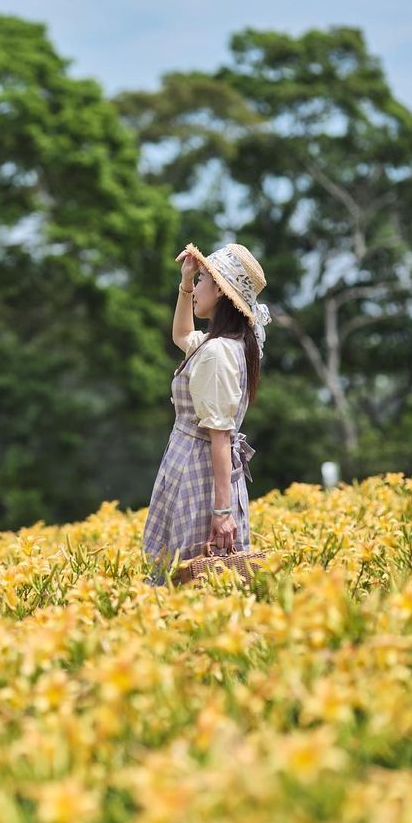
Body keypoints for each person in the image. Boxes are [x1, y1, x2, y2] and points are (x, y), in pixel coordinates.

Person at [141, 242, 271, 587]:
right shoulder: (226, 343)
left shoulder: (216, 353)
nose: (195, 289)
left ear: (221, 291)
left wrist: (222, 513)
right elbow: (181, 334)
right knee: (195, 577)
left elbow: (220, 435)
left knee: (194, 577)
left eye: (201, 282)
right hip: (192, 467)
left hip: (199, 473)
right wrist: (185, 284)